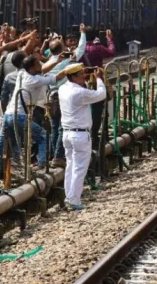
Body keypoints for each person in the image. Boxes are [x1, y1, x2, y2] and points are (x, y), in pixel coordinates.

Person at [0, 54, 64, 172]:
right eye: (38, 63)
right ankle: (42, 164)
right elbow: (57, 77)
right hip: (20, 116)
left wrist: (57, 61)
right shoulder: (35, 80)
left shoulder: (22, 73)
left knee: (0, 144)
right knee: (43, 136)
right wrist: (71, 69)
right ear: (32, 67)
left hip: (8, 114)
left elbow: (42, 70)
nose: (41, 65)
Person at [59, 63, 106, 211]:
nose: (84, 77)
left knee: (70, 166)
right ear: (73, 76)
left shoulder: (62, 88)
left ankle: (69, 196)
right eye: (81, 75)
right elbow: (101, 95)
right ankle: (74, 200)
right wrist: (99, 79)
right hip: (79, 134)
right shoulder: (79, 93)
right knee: (79, 168)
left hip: (66, 133)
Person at [49, 25, 87, 168]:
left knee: (54, 127)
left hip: (50, 97)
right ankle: (59, 157)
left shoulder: (47, 63)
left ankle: (54, 154)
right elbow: (81, 48)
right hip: (63, 97)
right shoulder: (68, 61)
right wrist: (83, 33)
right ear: (63, 46)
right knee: (62, 127)